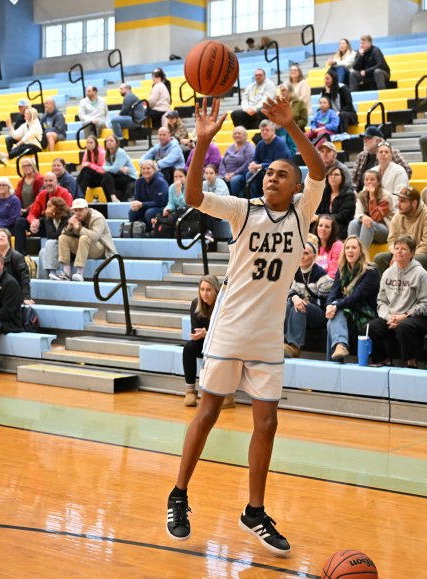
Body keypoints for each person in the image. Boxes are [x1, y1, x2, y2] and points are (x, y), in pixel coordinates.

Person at [165, 96, 324, 557]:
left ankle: (254, 511)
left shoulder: (302, 212)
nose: (272, 177)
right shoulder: (243, 210)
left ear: (296, 187)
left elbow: (317, 170)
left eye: (282, 174)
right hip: (230, 329)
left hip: (267, 335)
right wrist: (201, 142)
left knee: (267, 422)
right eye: (269, 172)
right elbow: (193, 198)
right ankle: (178, 494)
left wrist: (291, 127)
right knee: (209, 412)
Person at [366, 236, 427, 368]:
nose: (399, 251)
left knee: (404, 327)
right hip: (392, 317)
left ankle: (411, 362)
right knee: (371, 327)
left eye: (403, 249)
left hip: (418, 317)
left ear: (412, 253)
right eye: (396, 248)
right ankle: (383, 360)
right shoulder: (387, 273)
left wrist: (405, 316)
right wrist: (389, 317)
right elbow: (381, 301)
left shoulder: (421, 274)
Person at [325, 235, 381, 362]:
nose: (350, 251)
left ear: (361, 251)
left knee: (334, 316)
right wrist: (329, 306)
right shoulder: (342, 270)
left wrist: (335, 306)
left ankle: (335, 358)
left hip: (365, 313)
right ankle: (340, 347)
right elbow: (333, 293)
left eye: (354, 248)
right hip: (347, 312)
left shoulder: (371, 271)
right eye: (347, 248)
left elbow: (357, 297)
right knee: (334, 314)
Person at [283, 240, 330, 359]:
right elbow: (289, 292)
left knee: (300, 305)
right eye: (300, 253)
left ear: (314, 256)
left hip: (320, 314)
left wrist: (305, 301)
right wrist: (295, 298)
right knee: (289, 303)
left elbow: (324, 302)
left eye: (306, 253)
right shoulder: (295, 271)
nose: (302, 256)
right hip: (302, 311)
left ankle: (295, 347)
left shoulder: (321, 274)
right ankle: (284, 343)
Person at [374, 187, 427, 273]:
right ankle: (389, 281)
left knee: (417, 260)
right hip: (402, 253)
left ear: (414, 203)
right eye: (399, 200)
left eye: (403, 201)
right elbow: (391, 241)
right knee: (379, 258)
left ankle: (412, 282)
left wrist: (406, 256)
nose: (398, 205)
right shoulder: (397, 216)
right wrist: (397, 254)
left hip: (423, 254)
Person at [182, 276, 224, 406]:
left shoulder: (223, 304)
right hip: (205, 342)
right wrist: (198, 334)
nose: (204, 293)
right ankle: (190, 391)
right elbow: (195, 329)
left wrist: (207, 333)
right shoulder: (196, 303)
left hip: (222, 343)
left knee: (222, 351)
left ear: (216, 290)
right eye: (202, 289)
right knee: (188, 348)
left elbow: (225, 333)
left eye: (208, 290)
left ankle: (227, 395)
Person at [15, 172, 73, 255]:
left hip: (59, 225)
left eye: (50, 181)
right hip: (44, 224)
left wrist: (41, 220)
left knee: (47, 219)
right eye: (46, 181)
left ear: (56, 182)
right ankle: (20, 255)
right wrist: (33, 222)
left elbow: (67, 214)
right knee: (20, 222)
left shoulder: (64, 193)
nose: (48, 183)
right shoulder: (42, 194)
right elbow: (32, 212)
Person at [352, 125, 412, 191]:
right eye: (364, 138)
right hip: (363, 193)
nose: (365, 140)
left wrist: (389, 184)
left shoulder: (391, 152)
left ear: (378, 141)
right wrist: (354, 192)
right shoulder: (361, 156)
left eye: (368, 138)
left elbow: (407, 171)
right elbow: (354, 179)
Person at [245, 119, 291, 197]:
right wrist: (253, 164)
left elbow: (278, 163)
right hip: (264, 170)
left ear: (273, 131)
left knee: (266, 175)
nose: (264, 132)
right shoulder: (260, 144)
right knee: (249, 174)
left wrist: (260, 166)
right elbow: (256, 159)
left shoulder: (280, 143)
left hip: (280, 170)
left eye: (267, 130)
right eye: (262, 130)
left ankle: (268, 198)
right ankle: (254, 199)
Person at [348, 168, 393, 247]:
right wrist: (363, 217)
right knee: (353, 223)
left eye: (372, 179)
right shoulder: (361, 195)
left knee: (368, 223)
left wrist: (372, 197)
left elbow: (376, 217)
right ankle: (351, 248)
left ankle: (362, 252)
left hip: (385, 230)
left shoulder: (386, 196)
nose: (369, 182)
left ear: (378, 182)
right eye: (366, 180)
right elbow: (358, 214)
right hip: (367, 229)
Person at [0, 228, 33, 304]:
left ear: (9, 240)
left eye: (3, 236)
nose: (0, 238)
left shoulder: (17, 256)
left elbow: (24, 278)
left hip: (12, 295)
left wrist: (26, 297)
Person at [129, 159, 168, 232]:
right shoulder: (139, 182)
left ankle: (151, 232)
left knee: (149, 212)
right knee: (132, 212)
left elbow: (160, 203)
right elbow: (137, 199)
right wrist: (135, 205)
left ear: (154, 170)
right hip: (146, 206)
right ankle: (137, 231)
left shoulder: (160, 182)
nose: (145, 171)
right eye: (143, 169)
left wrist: (142, 204)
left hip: (162, 207)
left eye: (148, 168)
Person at [316, 166, 355, 238]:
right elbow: (317, 210)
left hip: (341, 224)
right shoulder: (324, 193)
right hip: (323, 222)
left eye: (336, 175)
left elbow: (343, 215)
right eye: (330, 174)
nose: (333, 177)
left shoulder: (349, 194)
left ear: (342, 177)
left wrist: (320, 217)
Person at [39, 197, 71, 280]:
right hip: (55, 246)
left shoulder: (67, 218)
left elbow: (56, 236)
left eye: (50, 206)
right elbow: (50, 235)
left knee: (50, 243)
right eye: (47, 206)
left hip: (66, 247)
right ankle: (45, 279)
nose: (47, 209)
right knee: (42, 252)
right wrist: (49, 219)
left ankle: (53, 272)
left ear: (58, 207)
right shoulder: (49, 218)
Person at [219, 126, 255, 198]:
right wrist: (224, 174)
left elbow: (248, 163)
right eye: (235, 133)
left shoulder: (249, 147)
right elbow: (222, 162)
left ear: (245, 135)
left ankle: (236, 199)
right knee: (217, 179)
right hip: (227, 174)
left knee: (234, 180)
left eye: (239, 133)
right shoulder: (230, 147)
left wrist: (234, 173)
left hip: (241, 174)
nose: (237, 135)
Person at [102, 134, 138, 202]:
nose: (109, 142)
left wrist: (111, 168)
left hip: (130, 177)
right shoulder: (107, 154)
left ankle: (113, 198)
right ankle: (111, 200)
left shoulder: (120, 152)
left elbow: (114, 169)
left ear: (116, 143)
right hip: (120, 175)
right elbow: (108, 168)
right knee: (104, 181)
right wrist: (117, 168)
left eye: (111, 141)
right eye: (107, 141)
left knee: (106, 176)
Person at [200, 164, 229, 242]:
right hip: (209, 208)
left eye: (211, 173)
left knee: (211, 208)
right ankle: (201, 232)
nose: (208, 175)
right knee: (199, 211)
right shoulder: (203, 184)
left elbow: (216, 200)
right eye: (206, 173)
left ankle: (210, 232)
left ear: (216, 174)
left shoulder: (221, 183)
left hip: (224, 209)